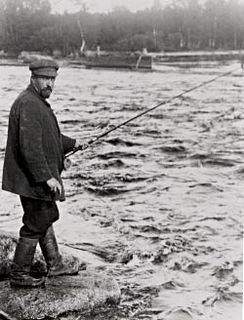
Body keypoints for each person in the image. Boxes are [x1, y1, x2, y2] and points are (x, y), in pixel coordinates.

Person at [2, 58, 80, 287]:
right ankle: (19, 274)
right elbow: (31, 148)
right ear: (33, 78)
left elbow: (49, 138)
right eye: (45, 79)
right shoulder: (29, 104)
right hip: (32, 179)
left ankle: (55, 264)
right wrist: (47, 177)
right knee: (35, 222)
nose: (50, 85)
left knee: (44, 216)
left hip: (30, 178)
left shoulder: (34, 101)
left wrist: (73, 144)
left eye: (53, 80)